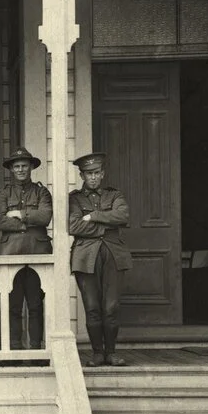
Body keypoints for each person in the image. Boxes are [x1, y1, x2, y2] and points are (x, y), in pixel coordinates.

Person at [69, 152, 133, 367]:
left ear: (102, 174)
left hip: (114, 254)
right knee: (92, 306)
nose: (93, 177)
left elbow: (123, 217)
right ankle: (97, 353)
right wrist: (107, 224)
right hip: (85, 256)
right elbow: (74, 226)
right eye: (88, 173)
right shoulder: (75, 198)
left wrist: (94, 216)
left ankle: (111, 352)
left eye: (96, 173)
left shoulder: (115, 196)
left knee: (111, 307)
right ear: (82, 175)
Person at [0, 147, 53, 353]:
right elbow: (0, 222)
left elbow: (45, 217)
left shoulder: (42, 192)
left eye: (24, 166)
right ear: (11, 169)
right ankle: (15, 349)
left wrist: (19, 213)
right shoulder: (4, 194)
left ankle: (36, 348)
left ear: (30, 168)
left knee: (36, 305)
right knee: (13, 306)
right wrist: (27, 222)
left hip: (37, 254)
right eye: (16, 166)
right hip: (11, 254)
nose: (20, 169)